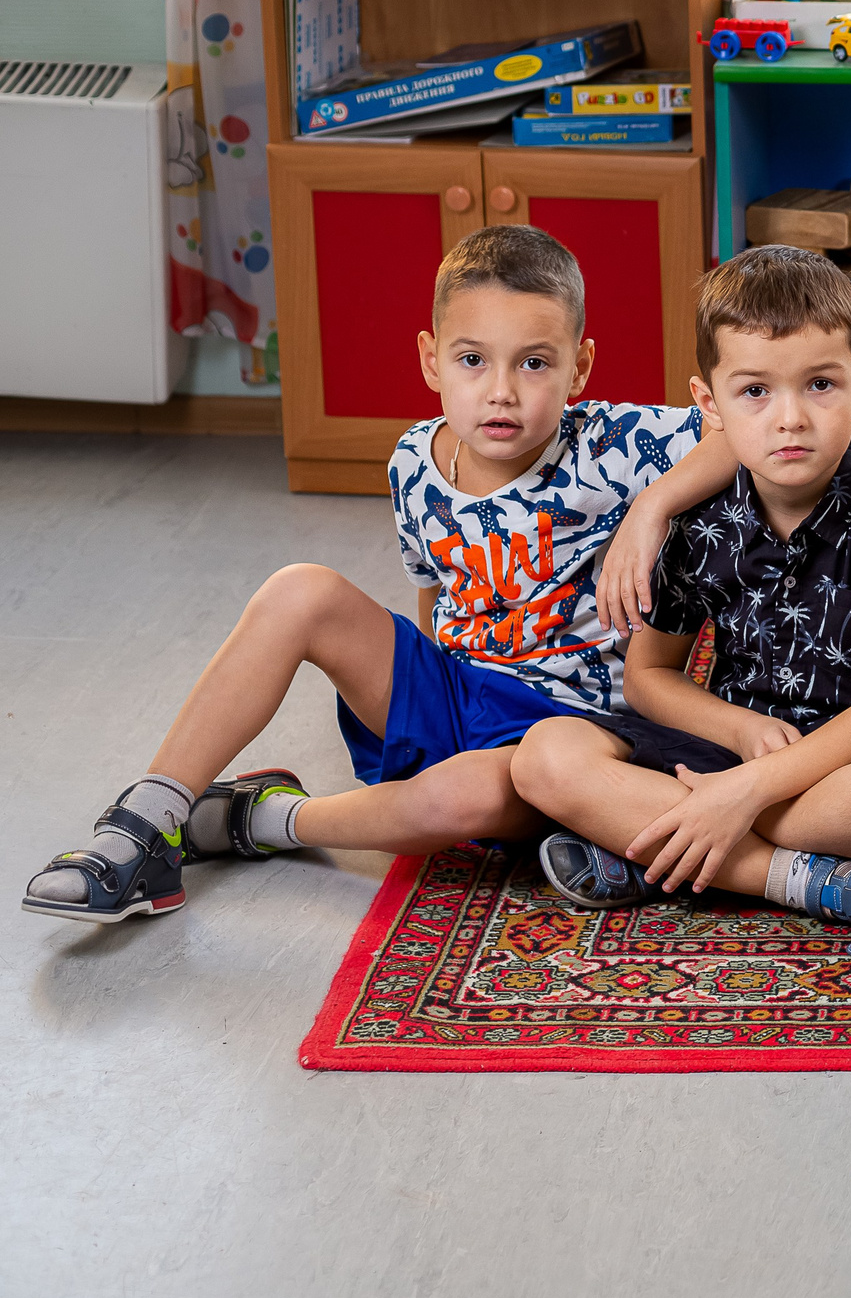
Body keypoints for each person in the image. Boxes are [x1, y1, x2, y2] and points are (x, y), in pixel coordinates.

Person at [23, 226, 728, 922]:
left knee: (466, 797)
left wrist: (652, 508)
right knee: (301, 588)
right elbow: (433, 593)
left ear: (579, 366)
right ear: (431, 360)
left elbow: (735, 428)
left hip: (560, 729)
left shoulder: (613, 443)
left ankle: (266, 819)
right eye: (473, 360)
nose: (502, 392)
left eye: (535, 364)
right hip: (450, 688)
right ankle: (149, 819)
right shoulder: (414, 460)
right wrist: (419, 684)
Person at [512, 247, 851, 946]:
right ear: (710, 405)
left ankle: (665, 846)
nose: (789, 418)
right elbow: (649, 676)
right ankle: (811, 879)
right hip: (737, 746)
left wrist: (748, 794)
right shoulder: (704, 516)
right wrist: (737, 742)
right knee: (543, 755)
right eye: (755, 392)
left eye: (820, 385)